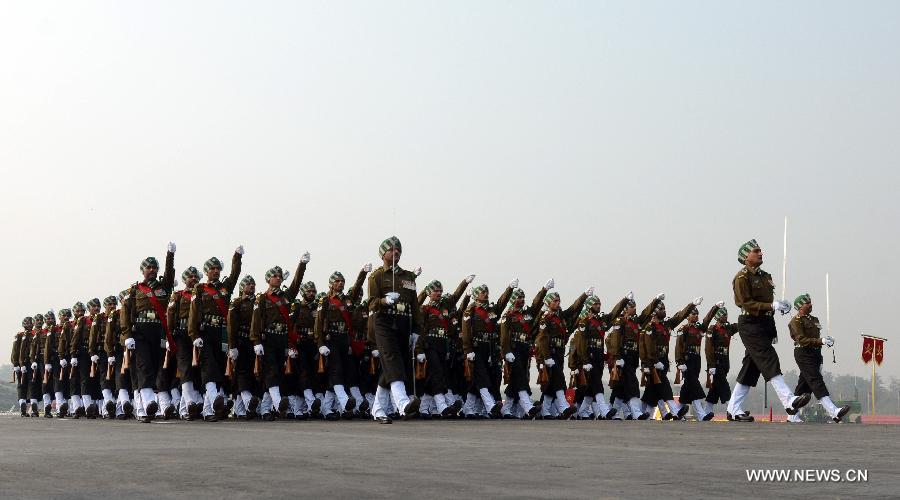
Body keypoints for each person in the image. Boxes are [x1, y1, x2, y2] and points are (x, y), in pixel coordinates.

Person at [727, 239, 811, 422]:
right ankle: (789, 401)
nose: (760, 253)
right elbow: (745, 303)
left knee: (751, 368)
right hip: (750, 323)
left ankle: (733, 408)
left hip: (764, 323)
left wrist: (779, 306)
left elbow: (768, 304)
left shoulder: (765, 276)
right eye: (756, 251)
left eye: (760, 251)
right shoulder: (741, 278)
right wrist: (771, 305)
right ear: (745, 257)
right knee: (768, 357)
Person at [367, 236, 423, 423]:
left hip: (403, 323)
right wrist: (384, 301)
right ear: (383, 254)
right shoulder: (376, 276)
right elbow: (372, 303)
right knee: (392, 359)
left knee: (391, 367)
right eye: (391, 250)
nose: (396, 252)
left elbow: (414, 305)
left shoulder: (408, 276)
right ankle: (402, 403)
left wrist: (416, 329)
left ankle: (378, 409)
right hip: (384, 322)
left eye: (398, 250)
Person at [120, 243, 176, 423]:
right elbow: (126, 315)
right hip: (141, 333)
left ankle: (142, 406)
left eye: (154, 267)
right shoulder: (135, 290)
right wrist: (127, 335)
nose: (152, 270)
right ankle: (148, 403)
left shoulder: (163, 288)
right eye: (148, 267)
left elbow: (169, 274)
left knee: (156, 367)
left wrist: (170, 255)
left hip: (158, 332)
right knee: (144, 367)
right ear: (142, 270)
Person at [249, 253, 309, 420]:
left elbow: (296, 283)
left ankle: (265, 410)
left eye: (279, 276)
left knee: (278, 373)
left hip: (281, 339)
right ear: (268, 279)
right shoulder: (261, 298)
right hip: (267, 339)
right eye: (274, 276)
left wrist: (302, 265)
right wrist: (256, 341)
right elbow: (256, 320)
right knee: (271, 371)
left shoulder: (285, 297)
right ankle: (277, 402)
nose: (277, 278)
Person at [188, 246, 244, 421]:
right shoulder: (200, 288)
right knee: (209, 367)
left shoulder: (225, 288)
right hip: (205, 333)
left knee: (220, 368)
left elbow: (235, 274)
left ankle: (208, 411)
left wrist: (237, 257)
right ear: (206, 271)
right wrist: (194, 334)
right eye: (212, 269)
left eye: (218, 269)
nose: (215, 271)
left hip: (221, 333)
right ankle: (214, 401)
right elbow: (193, 312)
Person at [786, 294, 851, 423]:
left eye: (810, 302)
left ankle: (792, 415)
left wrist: (826, 341)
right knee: (816, 380)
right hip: (803, 352)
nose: (810, 304)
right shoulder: (796, 321)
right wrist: (821, 340)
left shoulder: (814, 319)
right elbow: (802, 340)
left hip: (815, 354)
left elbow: (817, 339)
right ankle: (834, 412)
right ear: (800, 307)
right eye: (807, 303)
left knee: (804, 385)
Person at [534, 287, 591, 419]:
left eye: (558, 301)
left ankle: (545, 411)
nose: (557, 303)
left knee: (551, 384)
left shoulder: (560, 317)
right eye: (554, 301)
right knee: (559, 380)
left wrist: (584, 296)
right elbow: (542, 339)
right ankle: (564, 407)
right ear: (548, 303)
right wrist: (546, 357)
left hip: (558, 354)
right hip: (550, 354)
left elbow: (573, 309)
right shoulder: (545, 319)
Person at [461, 281, 515, 418]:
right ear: (475, 295)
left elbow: (502, 303)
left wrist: (509, 289)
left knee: (479, 380)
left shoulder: (492, 310)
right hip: (476, 348)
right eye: (482, 292)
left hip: (489, 349)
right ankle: (490, 406)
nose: (485, 294)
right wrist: (468, 350)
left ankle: (468, 409)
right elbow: (466, 331)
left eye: (486, 292)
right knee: (482, 377)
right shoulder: (470, 310)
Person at [499, 281, 550, 419]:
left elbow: (536, 304)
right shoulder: (508, 315)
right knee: (520, 377)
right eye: (519, 297)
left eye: (523, 297)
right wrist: (506, 351)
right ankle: (528, 406)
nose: (522, 300)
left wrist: (544, 290)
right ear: (513, 299)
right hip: (513, 350)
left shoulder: (527, 314)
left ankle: (507, 408)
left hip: (524, 350)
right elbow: (504, 336)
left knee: (518, 378)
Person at [568, 294, 618, 420]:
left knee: (590, 389)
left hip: (598, 358)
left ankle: (582, 411)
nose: (598, 306)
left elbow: (613, 314)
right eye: (596, 304)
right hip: (589, 359)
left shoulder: (600, 322)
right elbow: (581, 344)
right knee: (597, 384)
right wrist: (584, 361)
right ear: (589, 306)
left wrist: (625, 300)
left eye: (599, 303)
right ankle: (604, 411)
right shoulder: (584, 323)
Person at [674, 301, 715, 421]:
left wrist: (715, 308)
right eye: (693, 314)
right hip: (687, 361)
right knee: (695, 386)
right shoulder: (684, 329)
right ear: (688, 316)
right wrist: (680, 362)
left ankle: (677, 412)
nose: (696, 316)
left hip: (696, 360)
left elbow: (707, 320)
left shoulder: (699, 328)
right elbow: (679, 346)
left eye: (697, 314)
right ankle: (701, 414)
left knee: (688, 387)